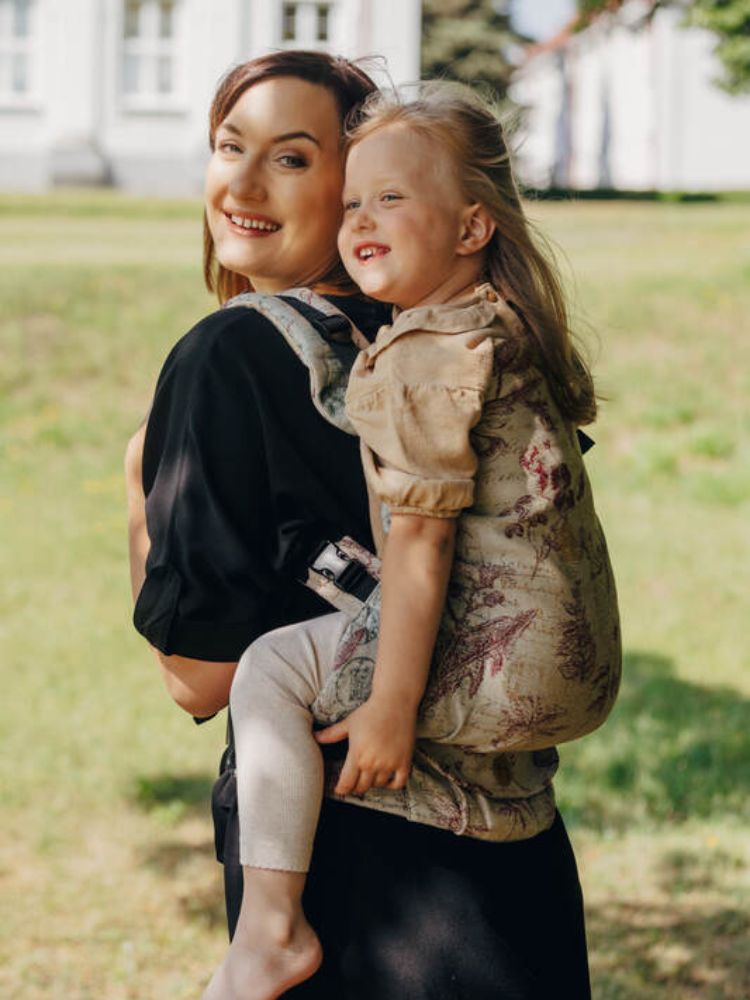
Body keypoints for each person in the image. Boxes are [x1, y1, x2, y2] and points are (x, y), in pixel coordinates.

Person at [126, 52, 601, 1000]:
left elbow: (196, 677)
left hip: (360, 877)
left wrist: (138, 486)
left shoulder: (231, 354)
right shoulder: (451, 329)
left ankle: (269, 934)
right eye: (230, 145)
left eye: (296, 159)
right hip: (516, 855)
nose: (246, 183)